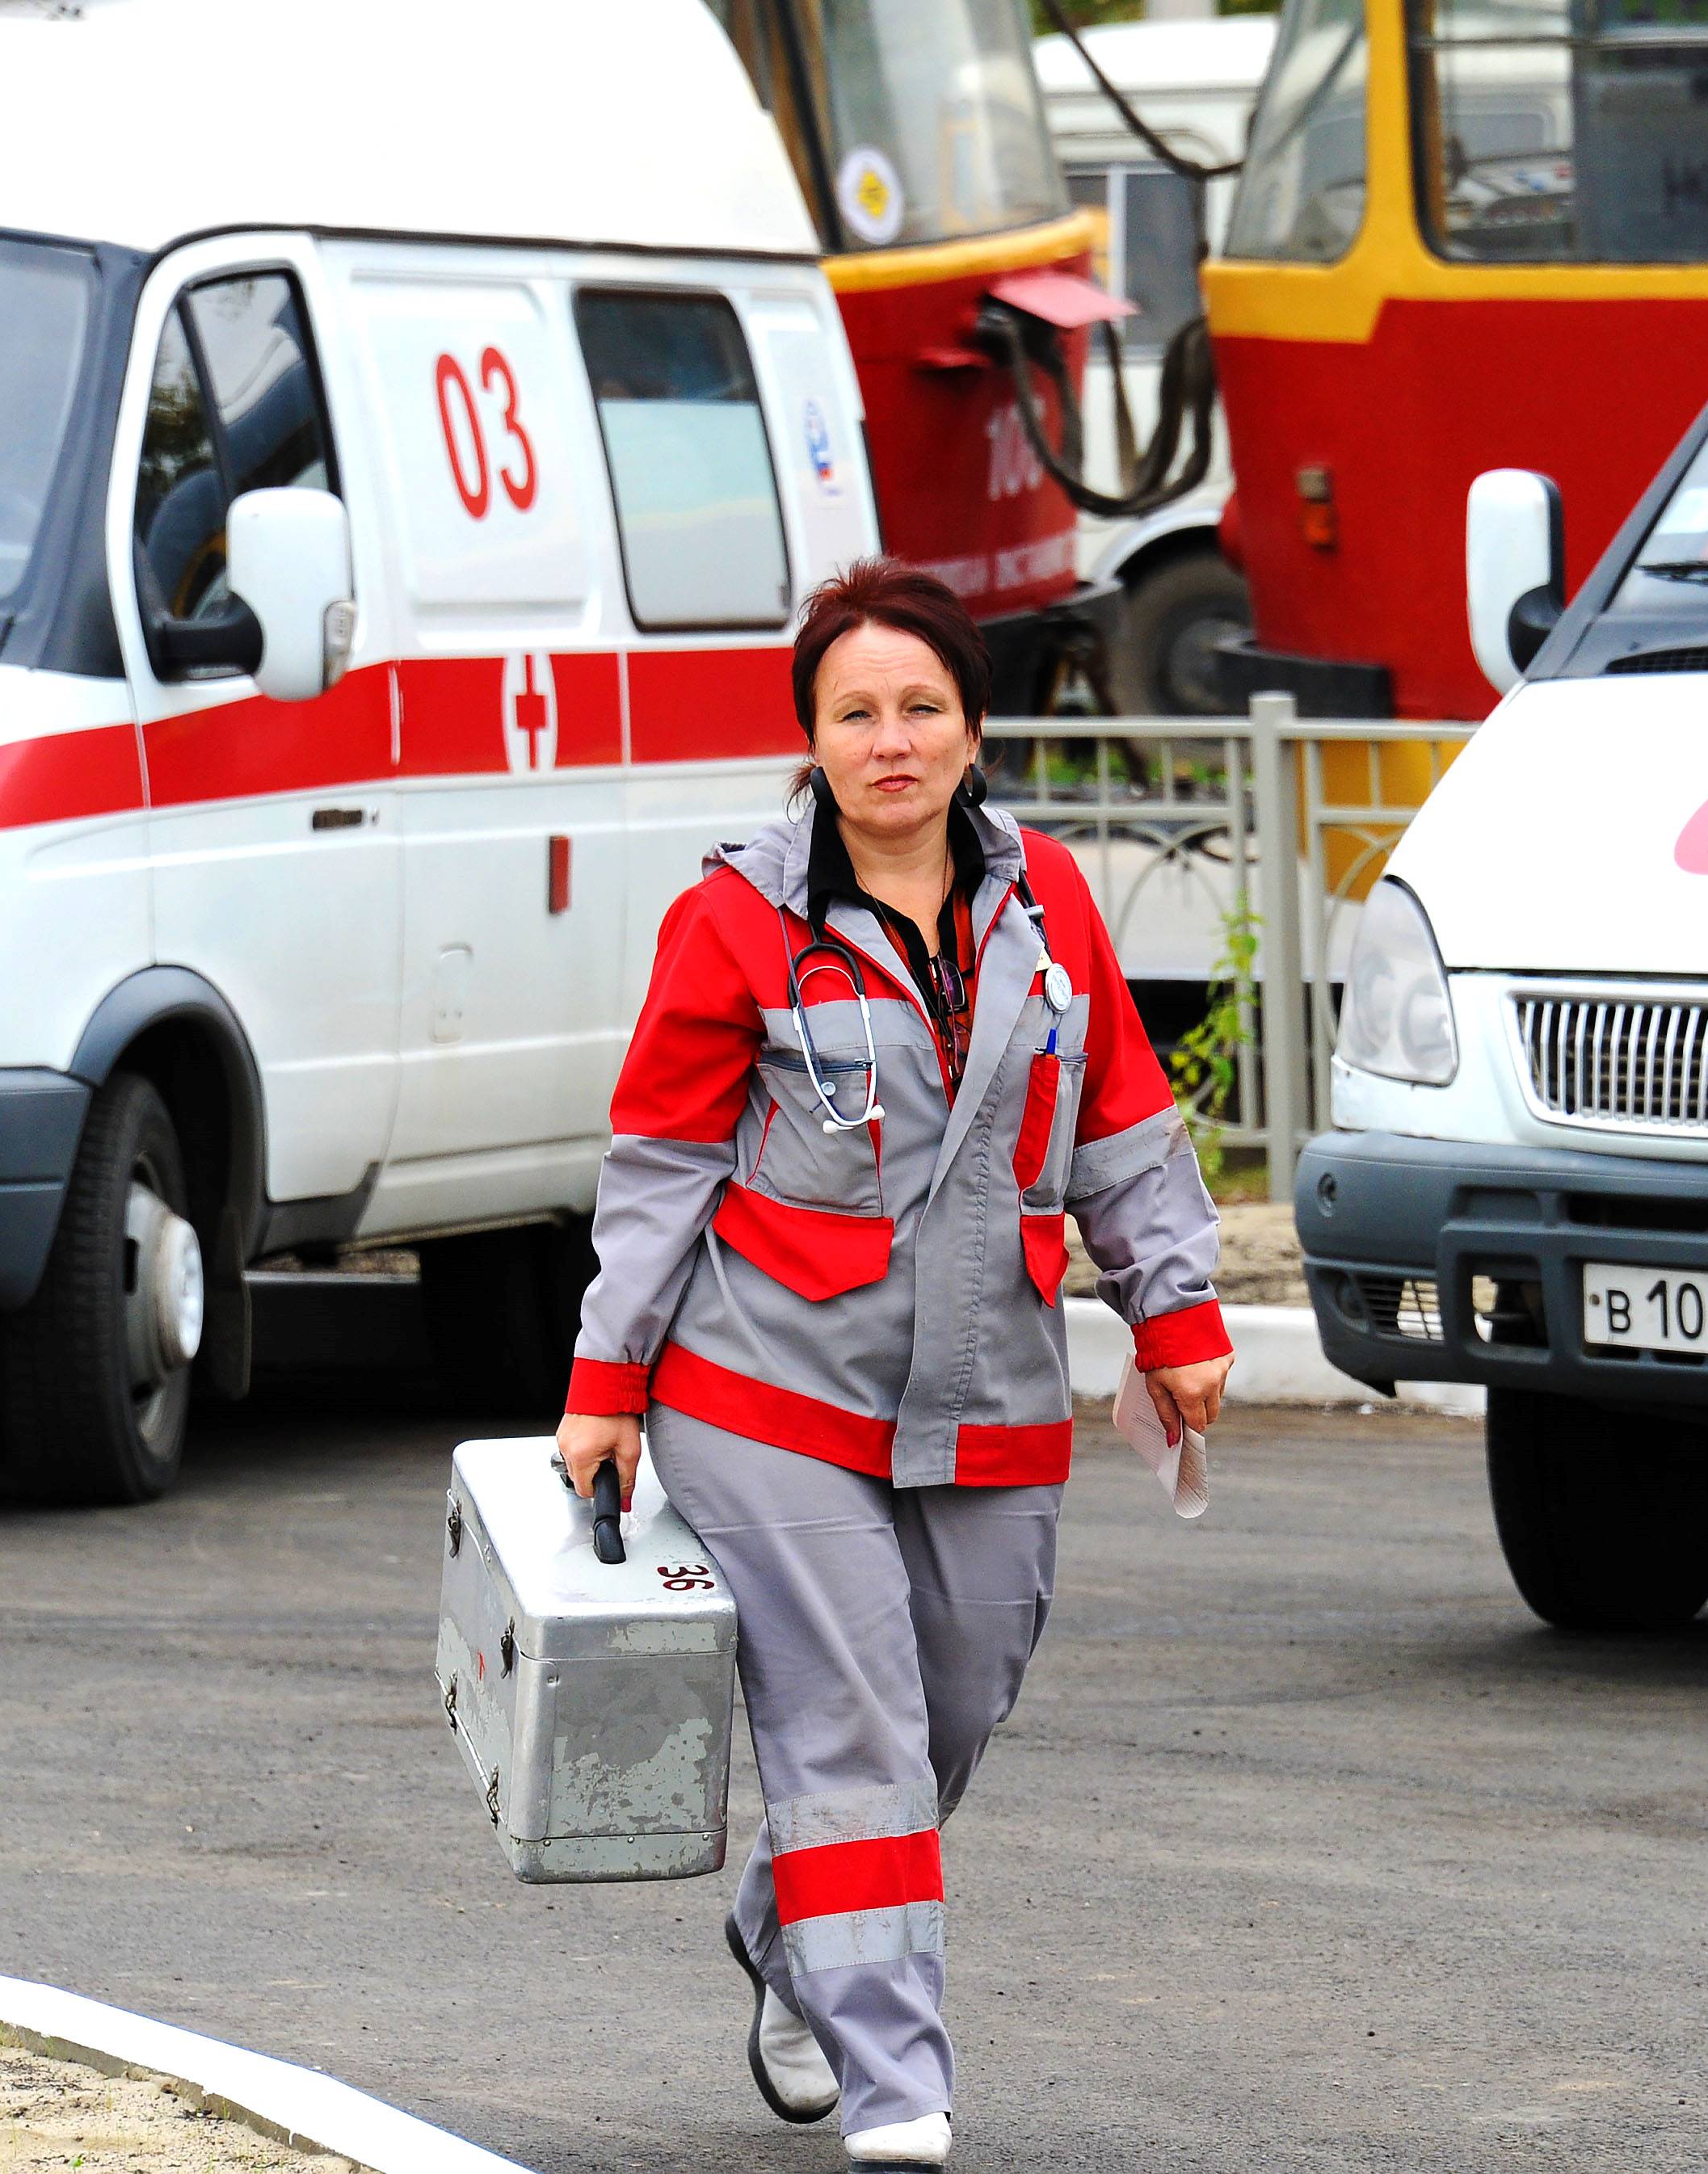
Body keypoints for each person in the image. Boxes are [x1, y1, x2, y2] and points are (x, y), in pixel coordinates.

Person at [554, 557, 1233, 2171]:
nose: (890, 740)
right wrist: (606, 1376)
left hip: (985, 1387)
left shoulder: (1049, 903)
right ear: (809, 738)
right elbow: (659, 1165)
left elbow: (1124, 1117)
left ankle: (795, 1930)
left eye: (920, 706)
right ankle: (895, 2090)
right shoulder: (732, 918)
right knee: (849, 1722)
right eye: (853, 712)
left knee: (953, 1697)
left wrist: (1177, 1307)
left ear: (974, 726)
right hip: (766, 1392)